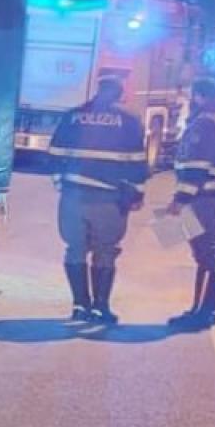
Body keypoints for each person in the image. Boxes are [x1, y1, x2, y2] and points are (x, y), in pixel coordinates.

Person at [48, 76, 148, 326]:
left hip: (73, 197)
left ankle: (79, 305)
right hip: (108, 199)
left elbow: (53, 156)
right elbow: (137, 164)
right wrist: (136, 195)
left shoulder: (71, 116)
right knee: (105, 252)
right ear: (117, 95)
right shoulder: (128, 121)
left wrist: (61, 185)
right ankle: (100, 308)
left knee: (75, 249)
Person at [167, 77, 215, 331]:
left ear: (200, 95)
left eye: (193, 95)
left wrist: (180, 199)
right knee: (212, 251)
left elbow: (195, 165)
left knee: (207, 255)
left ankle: (202, 313)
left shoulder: (204, 124)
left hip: (200, 197)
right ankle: (207, 310)